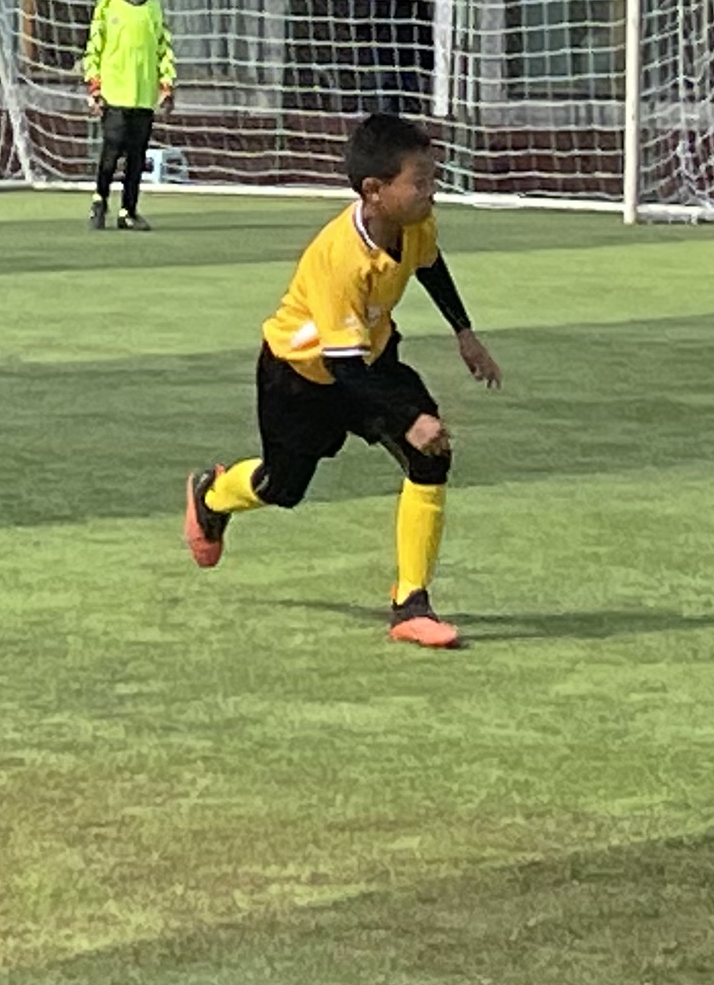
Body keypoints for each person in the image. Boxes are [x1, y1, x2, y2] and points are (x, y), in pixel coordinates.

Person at [176, 109, 503, 649]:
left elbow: (428, 264)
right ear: (374, 191)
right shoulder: (340, 258)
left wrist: (464, 332)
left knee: (431, 455)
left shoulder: (416, 224)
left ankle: (411, 604)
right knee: (281, 489)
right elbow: (342, 367)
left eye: (432, 178)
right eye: (420, 181)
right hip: (299, 376)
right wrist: (408, 417)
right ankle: (212, 495)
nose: (432, 191)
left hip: (368, 359)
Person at [81, 0, 175, 230]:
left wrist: (166, 85)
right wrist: (94, 87)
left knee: (137, 156)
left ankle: (128, 211)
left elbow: (163, 48)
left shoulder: (153, 6)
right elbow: (94, 47)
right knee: (112, 151)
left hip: (143, 94)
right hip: (114, 92)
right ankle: (99, 199)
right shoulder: (108, 3)